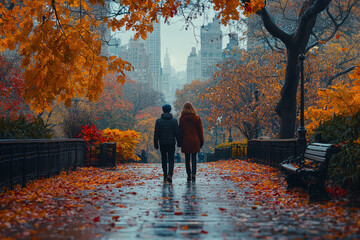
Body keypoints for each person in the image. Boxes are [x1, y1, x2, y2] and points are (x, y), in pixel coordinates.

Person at [154, 104, 181, 183]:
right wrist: (179, 142)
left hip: (162, 143)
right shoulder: (174, 121)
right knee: (171, 159)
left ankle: (165, 174)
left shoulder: (158, 121)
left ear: (163, 110)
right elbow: (177, 133)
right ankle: (170, 174)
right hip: (171, 143)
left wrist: (156, 143)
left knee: (164, 159)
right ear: (169, 110)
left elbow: (156, 133)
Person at [179, 102, 204, 181]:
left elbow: (180, 131)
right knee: (194, 158)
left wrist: (179, 142)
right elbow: (200, 131)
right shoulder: (197, 118)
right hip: (195, 141)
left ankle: (188, 174)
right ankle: (194, 174)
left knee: (187, 158)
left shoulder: (182, 119)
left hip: (186, 141)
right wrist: (201, 142)